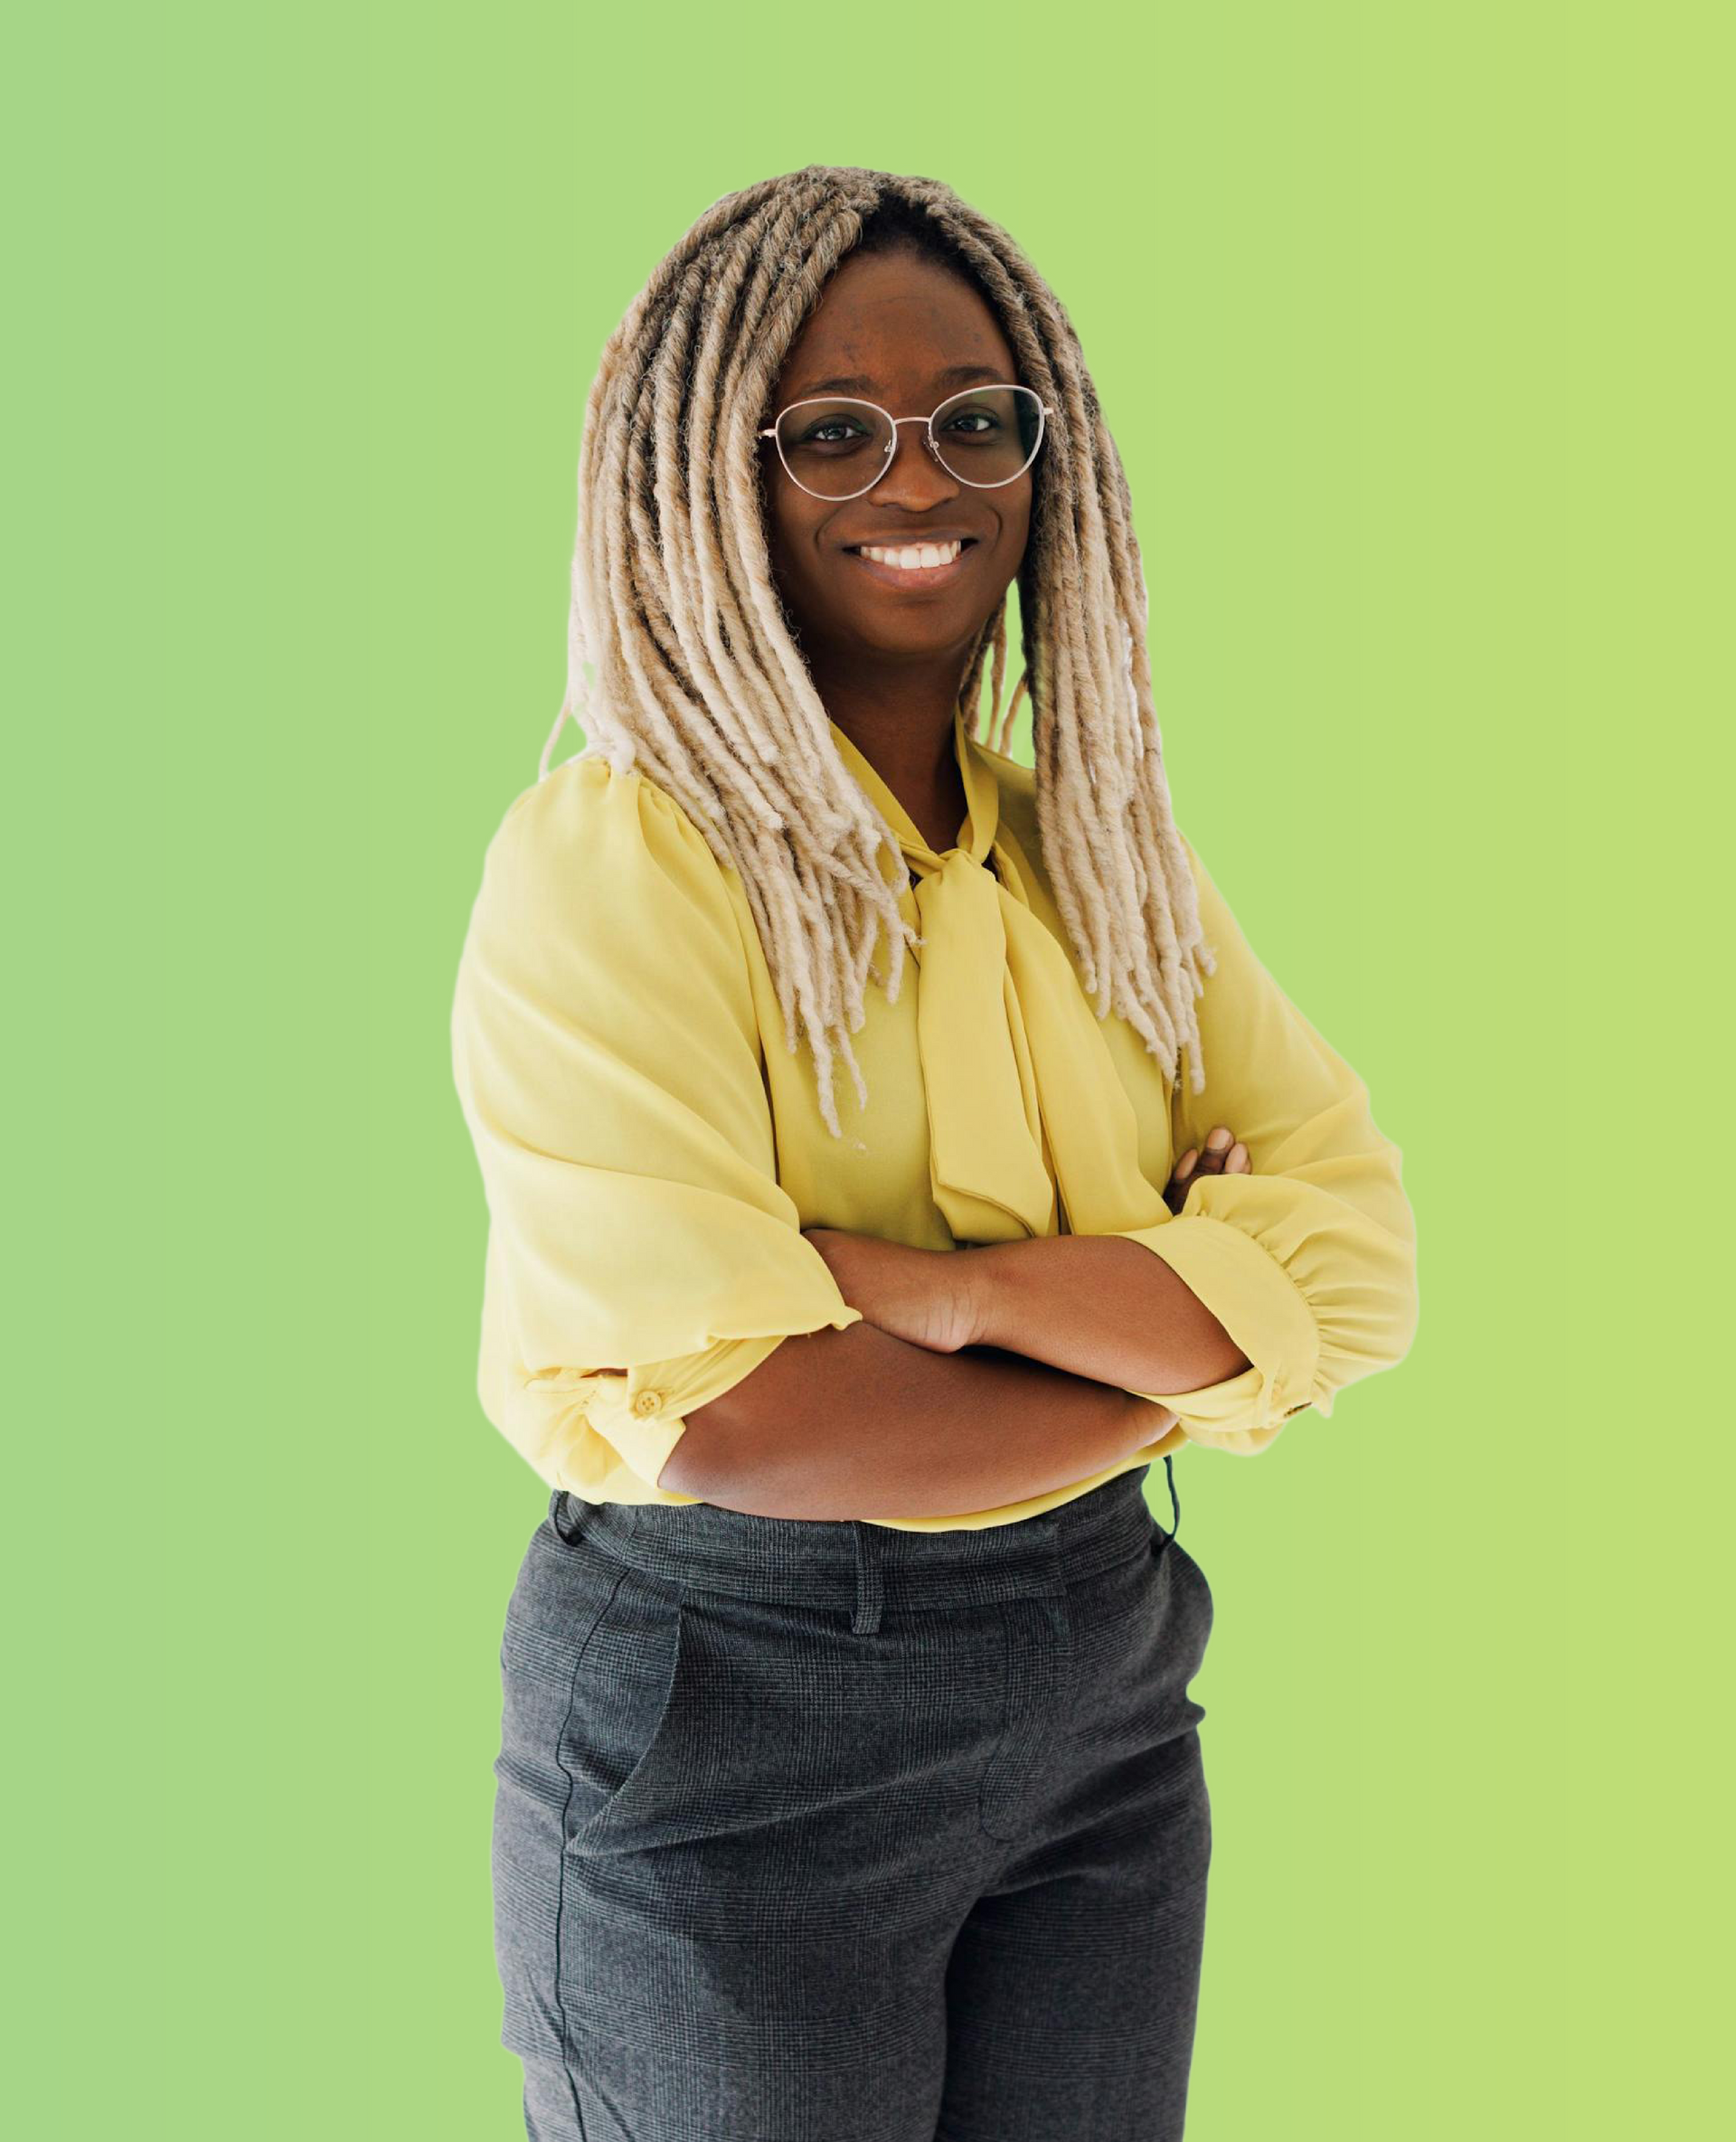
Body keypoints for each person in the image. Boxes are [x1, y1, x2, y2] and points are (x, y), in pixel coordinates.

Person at [451, 165, 1420, 2142]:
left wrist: (950, 1296)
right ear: (704, 477)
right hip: (740, 1709)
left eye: (978, 416)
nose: (924, 477)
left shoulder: (1105, 857)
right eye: (833, 430)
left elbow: (1360, 1261)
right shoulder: (616, 863)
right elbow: (738, 1410)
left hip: (1107, 1708)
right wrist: (1180, 1365)